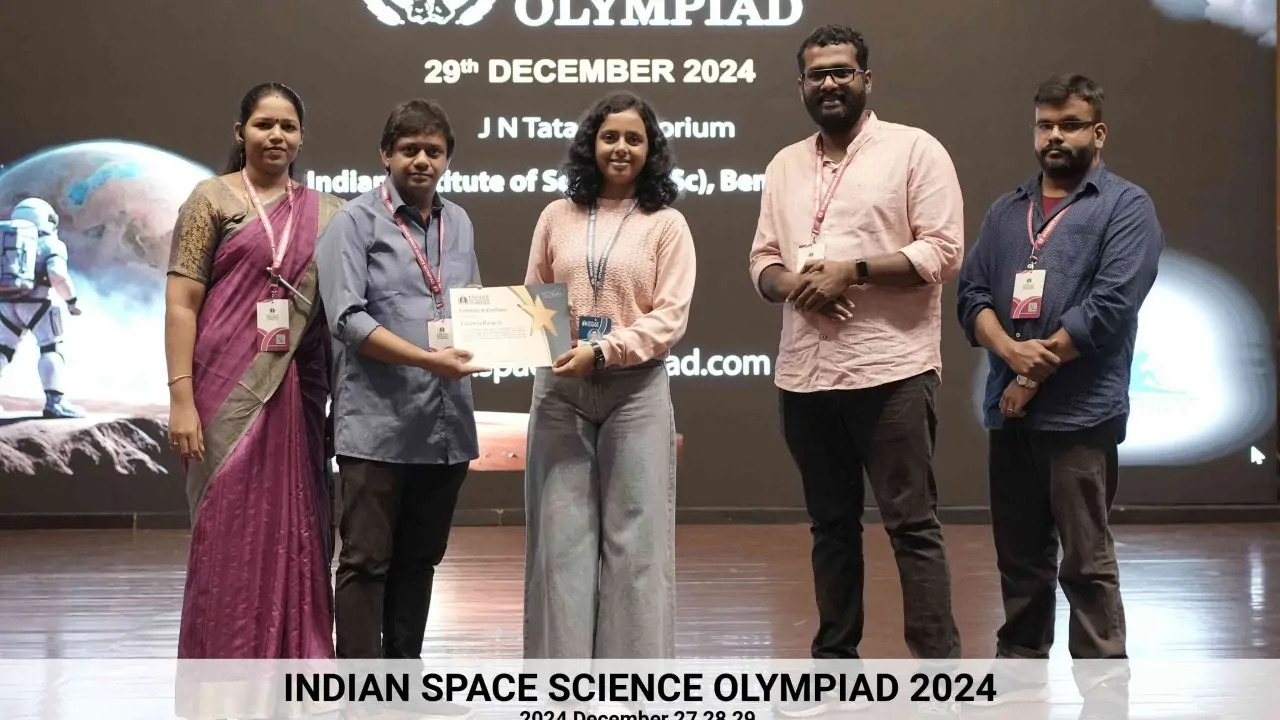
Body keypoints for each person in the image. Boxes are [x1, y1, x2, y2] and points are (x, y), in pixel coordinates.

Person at [746, 24, 965, 673]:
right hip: (805, 377)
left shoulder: (915, 150)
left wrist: (854, 271)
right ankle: (834, 663)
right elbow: (763, 261)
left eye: (842, 71)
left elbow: (943, 250)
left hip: (891, 371)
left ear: (867, 79)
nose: (830, 83)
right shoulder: (784, 165)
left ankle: (938, 675)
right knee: (831, 529)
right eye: (817, 74)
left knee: (912, 526)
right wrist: (796, 284)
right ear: (802, 85)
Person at [956, 74, 1161, 703]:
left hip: (1081, 415)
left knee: (1086, 561)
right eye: (1045, 125)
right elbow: (972, 296)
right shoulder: (1006, 210)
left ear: (1098, 133)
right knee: (1019, 559)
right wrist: (1009, 352)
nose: (1054, 136)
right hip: (1010, 416)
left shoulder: (1126, 207)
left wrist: (1028, 373)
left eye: (1069, 125)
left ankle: (1104, 690)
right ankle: (1018, 681)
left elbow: (1109, 308)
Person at [165, 82, 342, 659]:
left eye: (288, 126)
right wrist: (181, 399)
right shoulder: (210, 200)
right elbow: (182, 303)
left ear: (301, 137)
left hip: (298, 388)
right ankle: (224, 664)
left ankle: (295, 664)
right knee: (228, 522)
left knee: (297, 519)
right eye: (265, 124)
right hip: (221, 389)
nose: (276, 135)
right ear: (240, 132)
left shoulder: (328, 213)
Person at [522, 90, 695, 661]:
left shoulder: (667, 224)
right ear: (591, 145)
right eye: (610, 136)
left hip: (636, 392)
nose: (621, 148)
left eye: (634, 139)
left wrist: (604, 351)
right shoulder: (556, 215)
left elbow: (670, 318)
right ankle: (560, 692)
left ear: (651, 150)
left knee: (637, 546)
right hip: (561, 392)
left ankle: (634, 691)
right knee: (559, 547)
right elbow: (538, 299)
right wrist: (512, 336)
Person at [316, 99, 483, 680]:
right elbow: (346, 319)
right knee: (365, 561)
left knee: (421, 560)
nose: (422, 161)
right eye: (409, 149)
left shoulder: (460, 222)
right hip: (377, 426)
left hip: (445, 424)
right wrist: (426, 360)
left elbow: (471, 305)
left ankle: (405, 680)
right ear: (386, 154)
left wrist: (502, 337)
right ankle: (362, 690)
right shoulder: (353, 222)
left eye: (433, 151)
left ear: (447, 159)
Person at [0, 197, 85, 418]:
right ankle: (55, 403)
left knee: (3, 351)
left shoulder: (5, 240)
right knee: (51, 349)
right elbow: (57, 275)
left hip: (6, 304)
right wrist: (72, 301)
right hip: (39, 304)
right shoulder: (51, 244)